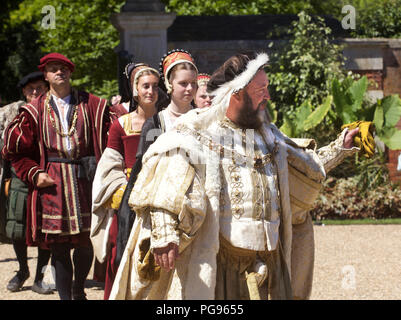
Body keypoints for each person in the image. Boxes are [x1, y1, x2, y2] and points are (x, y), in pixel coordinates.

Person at [109, 52, 359, 300]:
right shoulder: (198, 133)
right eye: (261, 90)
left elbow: (305, 167)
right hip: (221, 270)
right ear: (237, 93)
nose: (268, 97)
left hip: (271, 267)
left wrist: (341, 148)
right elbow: (167, 186)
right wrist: (164, 236)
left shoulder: (269, 136)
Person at [1, 52, 111, 300]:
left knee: (85, 242)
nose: (59, 72)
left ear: (70, 73)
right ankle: (65, 297)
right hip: (52, 182)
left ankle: (78, 289)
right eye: (53, 69)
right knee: (59, 247)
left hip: (85, 179)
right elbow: (14, 150)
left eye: (63, 68)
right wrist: (34, 174)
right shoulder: (34, 109)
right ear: (47, 76)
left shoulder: (91, 103)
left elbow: (114, 132)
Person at [90, 63, 160, 300]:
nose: (150, 91)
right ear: (135, 90)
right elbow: (110, 163)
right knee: (117, 252)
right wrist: (120, 190)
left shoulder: (166, 123)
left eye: (155, 86)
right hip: (127, 199)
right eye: (145, 86)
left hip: (161, 195)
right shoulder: (121, 124)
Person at [0, 72, 53, 294]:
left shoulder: (54, 111)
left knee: (46, 228)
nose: (34, 92)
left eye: (39, 87)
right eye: (30, 89)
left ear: (46, 88)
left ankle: (40, 276)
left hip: (47, 176)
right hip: (19, 177)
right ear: (23, 91)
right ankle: (23, 271)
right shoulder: (11, 112)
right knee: (16, 228)